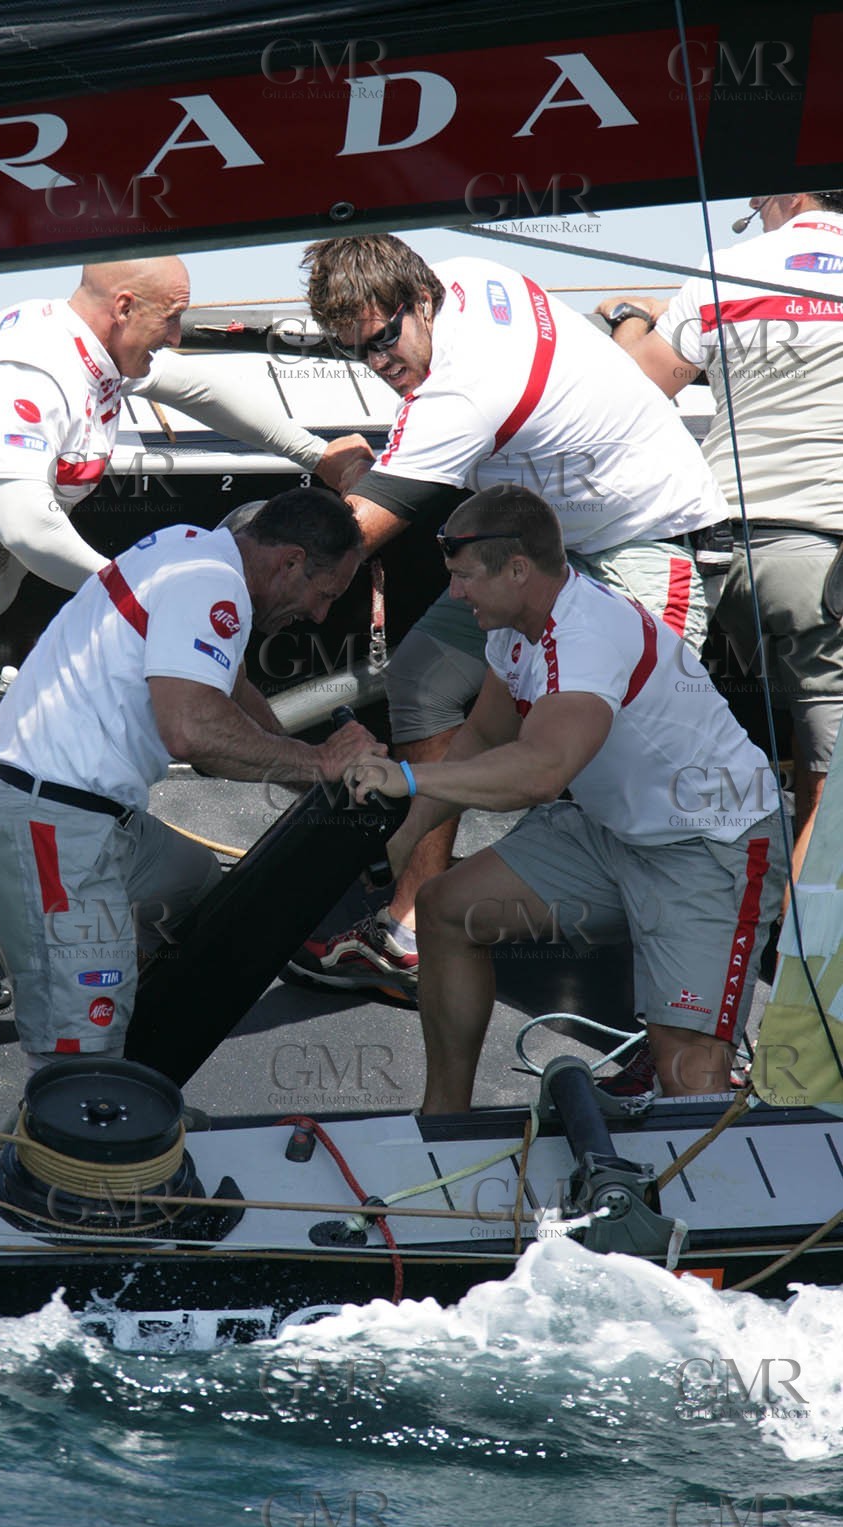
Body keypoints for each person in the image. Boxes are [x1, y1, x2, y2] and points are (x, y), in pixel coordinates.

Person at [0, 256, 373, 1051]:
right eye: (170, 318)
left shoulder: (98, 361)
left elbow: (197, 388)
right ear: (124, 306)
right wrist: (147, 594)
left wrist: (312, 452)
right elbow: (24, 522)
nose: (177, 335)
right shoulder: (34, 370)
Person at [286, 234, 730, 1000]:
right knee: (425, 676)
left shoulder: (462, 390)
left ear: (418, 300)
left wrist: (325, 488)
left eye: (386, 340)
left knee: (628, 766)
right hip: (540, 546)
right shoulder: (462, 277)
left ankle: (676, 1003)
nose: (380, 364)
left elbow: (348, 541)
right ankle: (411, 928)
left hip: (648, 543)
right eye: (358, 352)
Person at [344, 487, 786, 1112]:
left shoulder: (587, 634)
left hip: (712, 844)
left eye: (465, 578)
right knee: (445, 909)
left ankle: (703, 1193)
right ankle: (443, 1121)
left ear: (518, 569)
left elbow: (541, 774)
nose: (455, 593)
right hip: (612, 830)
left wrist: (411, 780)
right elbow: (484, 736)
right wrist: (405, 837)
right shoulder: (514, 624)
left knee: (687, 1069)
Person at [0, 489, 382, 1060]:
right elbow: (192, 732)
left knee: (200, 889)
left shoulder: (189, 547)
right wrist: (323, 762)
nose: (321, 615)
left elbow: (232, 685)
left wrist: (314, 777)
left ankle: (131, 1049)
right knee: (80, 1058)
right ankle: (101, 1081)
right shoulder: (213, 585)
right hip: (46, 827)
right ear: (292, 561)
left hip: (57, 806)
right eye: (324, 595)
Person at [596, 188, 843, 884]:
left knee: (659, 747)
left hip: (712, 551)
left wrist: (628, 319)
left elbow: (635, 390)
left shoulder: (726, 266)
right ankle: (802, 970)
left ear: (789, 193)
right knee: (831, 788)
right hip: (823, 563)